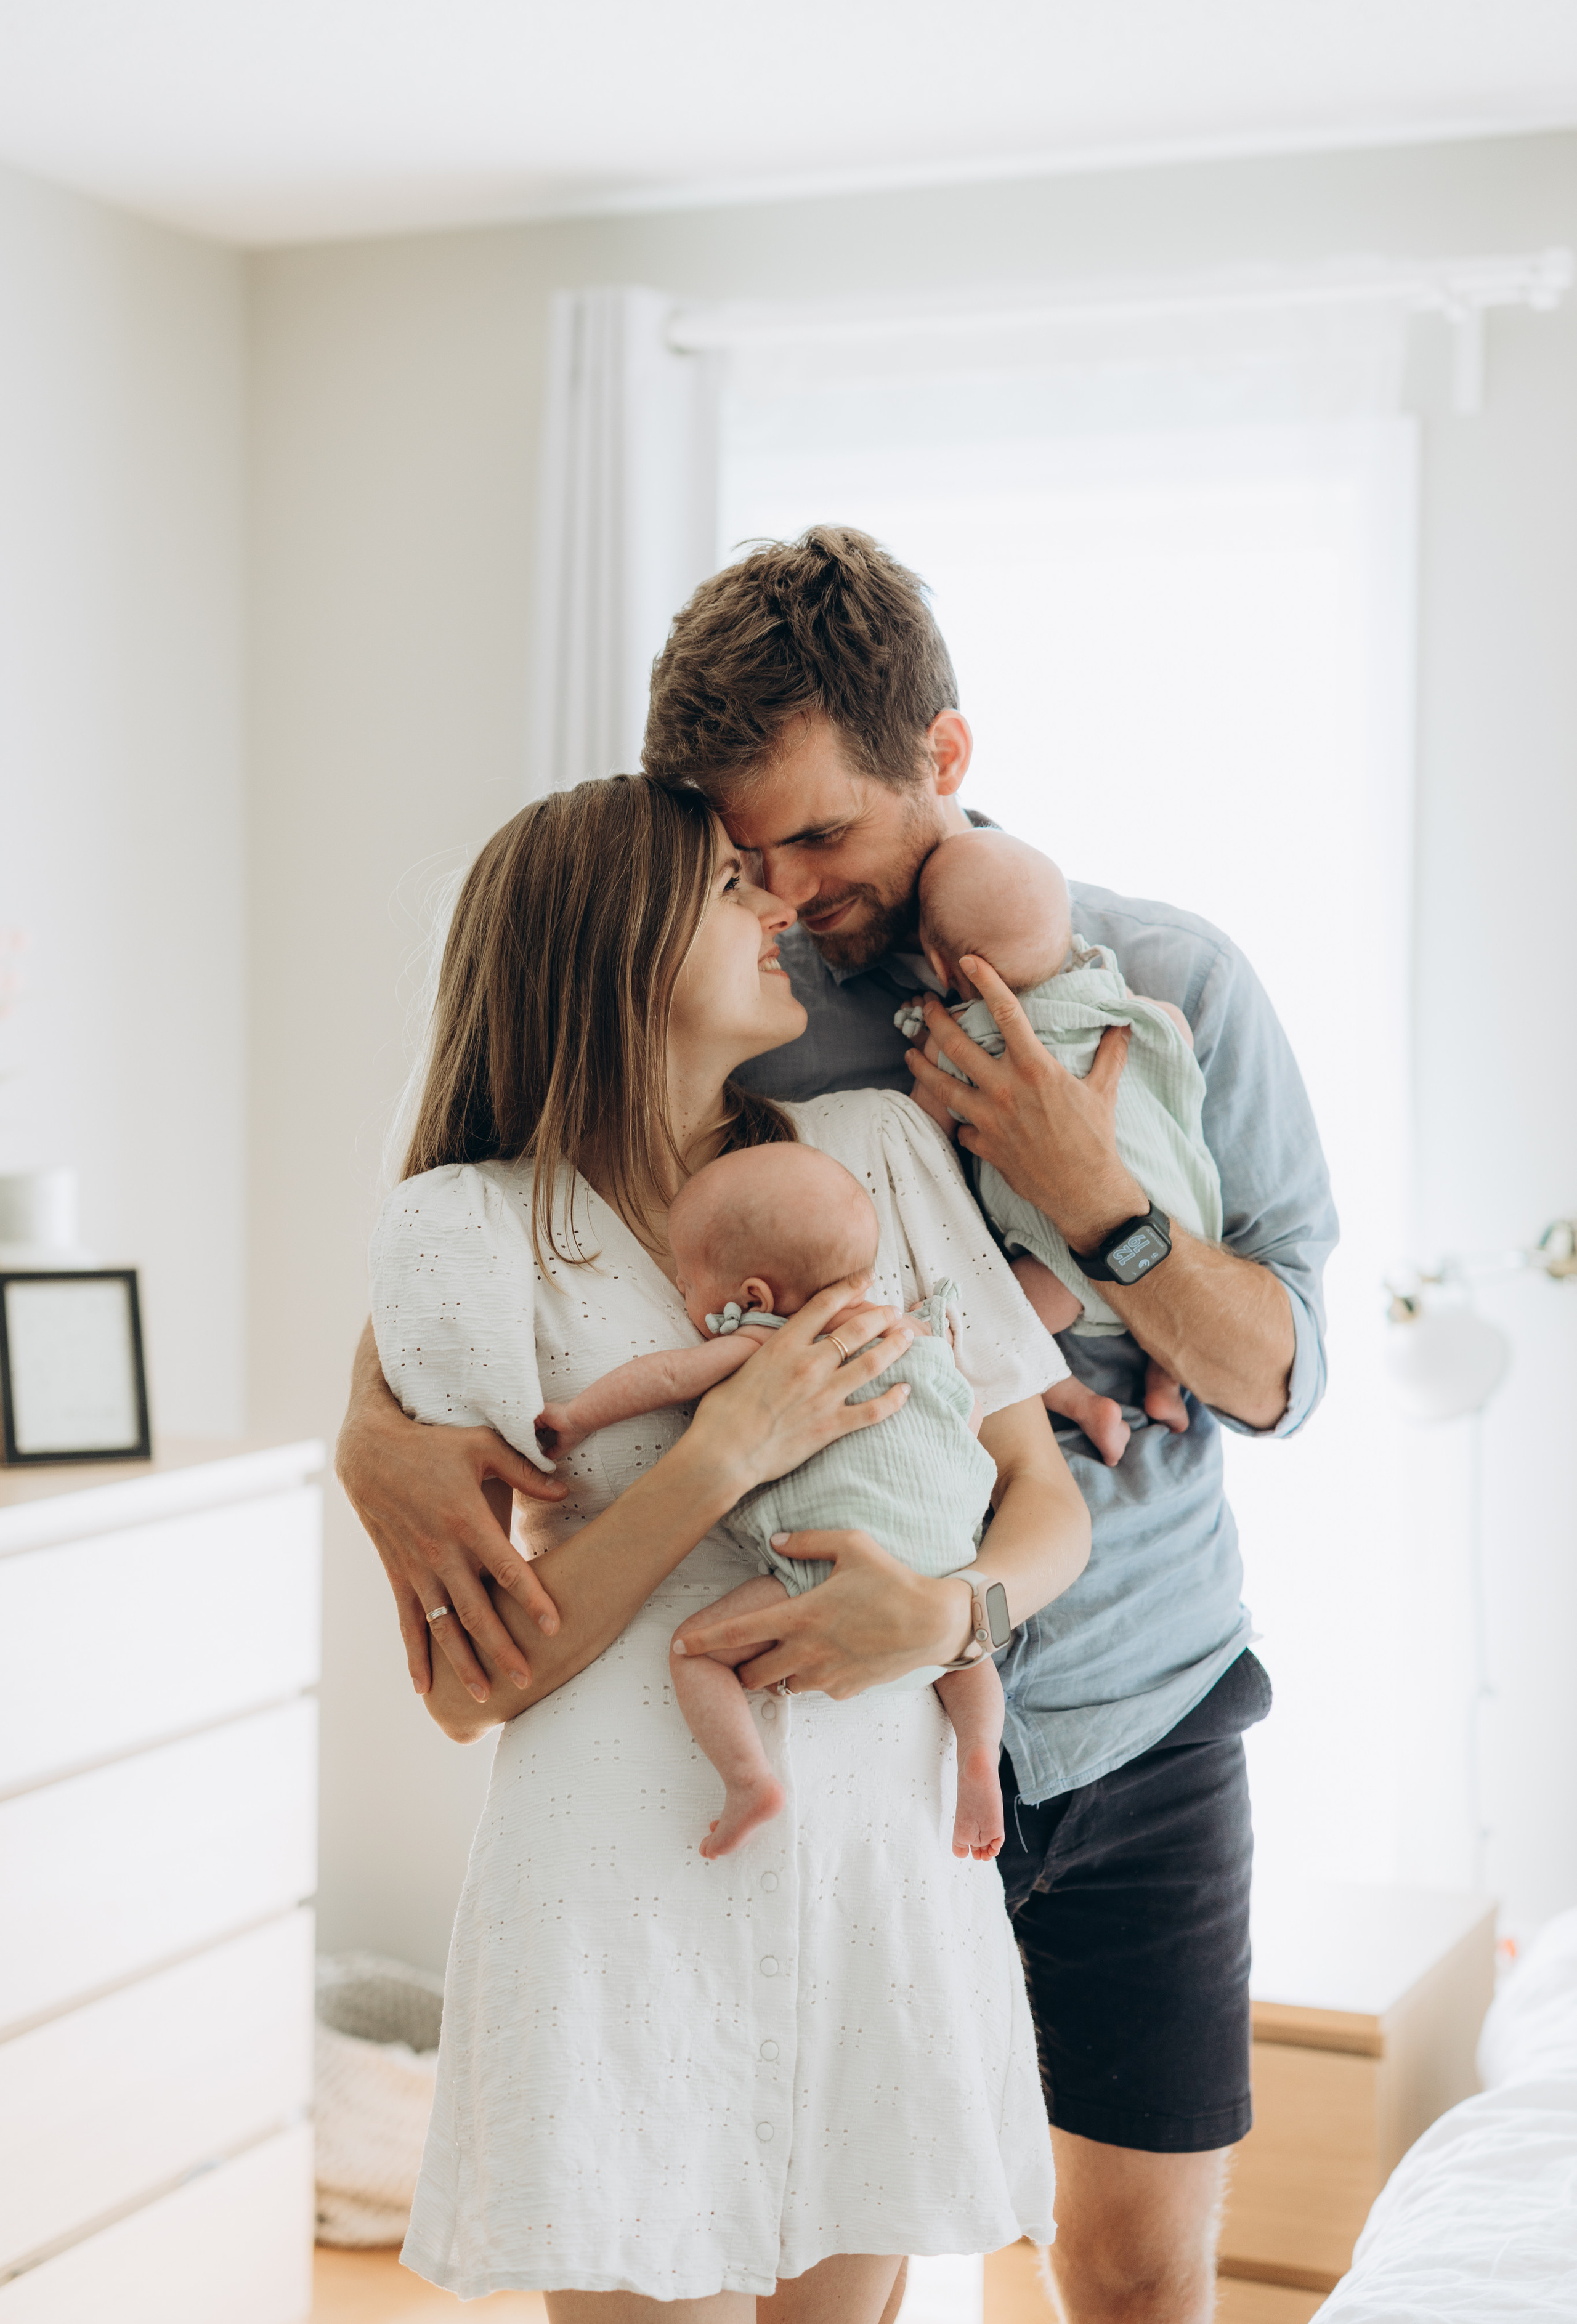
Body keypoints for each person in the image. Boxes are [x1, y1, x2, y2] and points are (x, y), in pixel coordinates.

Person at [338, 526, 1337, 2324]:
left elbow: (1275, 1373)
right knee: (808, 2223)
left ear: (940, 763)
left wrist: (1089, 1199)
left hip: (1123, 1702)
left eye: (817, 838)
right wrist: (366, 1425)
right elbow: (541, 1167)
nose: (784, 892)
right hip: (829, 1758)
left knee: (1119, 2265)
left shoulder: (1163, 986)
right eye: (740, 854)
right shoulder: (755, 1019)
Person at [363, 774, 1090, 2314]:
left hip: (872, 1862)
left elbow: (1042, 1499)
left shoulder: (876, 1155)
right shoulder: (469, 1229)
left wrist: (953, 1619)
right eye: (725, 888)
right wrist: (723, 1454)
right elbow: (460, 1687)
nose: (777, 907)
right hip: (624, 1885)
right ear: (613, 946)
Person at [536, 1139, 1088, 1863]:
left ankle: (747, 1781)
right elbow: (967, 1414)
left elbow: (663, 1376)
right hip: (945, 1567)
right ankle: (980, 1759)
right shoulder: (910, 1336)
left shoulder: (766, 1345)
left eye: (684, 1281)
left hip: (824, 1564)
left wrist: (576, 1419)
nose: (679, 1291)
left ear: (752, 1298)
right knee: (967, 1657)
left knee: (695, 1654)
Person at [896, 824, 1220, 1467]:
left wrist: (923, 1049)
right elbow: (1170, 1029)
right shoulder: (1104, 983)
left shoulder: (964, 1037)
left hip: (1065, 1268)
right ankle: (1163, 1381)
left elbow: (910, 1139)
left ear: (941, 966)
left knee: (989, 1324)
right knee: (1157, 1330)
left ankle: (1078, 1404)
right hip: (1188, 1229)